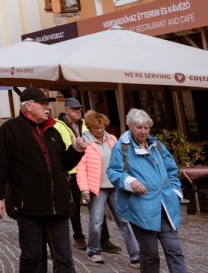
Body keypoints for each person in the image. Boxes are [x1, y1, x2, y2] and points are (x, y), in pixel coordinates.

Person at [0, 87, 87, 273]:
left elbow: (62, 165)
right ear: (27, 106)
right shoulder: (10, 130)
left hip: (57, 206)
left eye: (48, 103)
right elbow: (0, 165)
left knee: (64, 259)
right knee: (33, 257)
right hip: (29, 206)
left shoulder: (52, 131)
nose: (48, 107)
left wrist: (75, 151)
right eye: (42, 104)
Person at [107, 108, 188, 273]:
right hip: (140, 208)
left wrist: (175, 192)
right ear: (130, 126)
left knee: (175, 250)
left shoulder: (157, 144)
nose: (143, 131)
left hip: (165, 205)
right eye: (139, 127)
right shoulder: (122, 147)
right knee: (150, 254)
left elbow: (172, 169)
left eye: (146, 127)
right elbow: (113, 172)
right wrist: (130, 181)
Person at [76, 111, 138, 266]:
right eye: (96, 128)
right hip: (97, 188)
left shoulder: (112, 140)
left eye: (102, 127)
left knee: (124, 220)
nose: (100, 130)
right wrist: (84, 189)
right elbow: (81, 168)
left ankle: (136, 255)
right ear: (90, 127)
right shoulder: (85, 142)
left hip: (115, 186)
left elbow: (122, 161)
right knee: (96, 220)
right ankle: (94, 251)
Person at [55, 97, 87, 249]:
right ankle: (78, 236)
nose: (78, 111)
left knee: (95, 204)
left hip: (88, 169)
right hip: (72, 170)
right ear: (66, 110)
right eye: (75, 109)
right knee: (74, 205)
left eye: (79, 108)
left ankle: (103, 238)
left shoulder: (85, 124)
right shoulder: (58, 125)